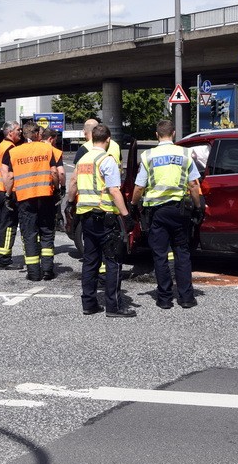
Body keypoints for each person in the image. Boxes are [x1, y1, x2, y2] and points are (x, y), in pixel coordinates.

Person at [130, 119, 203, 310]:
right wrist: (198, 207)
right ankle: (186, 297)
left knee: (160, 255)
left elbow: (139, 187)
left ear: (156, 135)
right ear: (174, 134)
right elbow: (194, 185)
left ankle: (164, 298)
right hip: (180, 210)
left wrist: (133, 204)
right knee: (182, 253)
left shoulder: (148, 156)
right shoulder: (185, 154)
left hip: (157, 212)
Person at [67, 124, 136, 318]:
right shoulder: (107, 160)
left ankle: (89, 304)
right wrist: (126, 215)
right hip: (105, 217)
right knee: (113, 260)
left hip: (86, 217)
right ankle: (113, 306)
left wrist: (70, 204)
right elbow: (114, 190)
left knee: (90, 261)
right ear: (107, 140)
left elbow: (72, 184)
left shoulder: (83, 160)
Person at [3, 122, 59, 281]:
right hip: (45, 196)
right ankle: (48, 270)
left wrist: (8, 195)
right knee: (47, 232)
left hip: (24, 198)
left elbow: (10, 177)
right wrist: (57, 189)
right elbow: (54, 172)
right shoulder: (47, 149)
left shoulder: (14, 152)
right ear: (37, 135)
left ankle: (34, 273)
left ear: (25, 134)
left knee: (29, 234)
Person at [0, 121, 21, 270]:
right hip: (6, 190)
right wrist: (10, 194)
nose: (20, 132)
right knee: (9, 226)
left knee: (0, 225)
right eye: (17, 130)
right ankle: (4, 259)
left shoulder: (1, 145)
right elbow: (7, 174)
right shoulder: (10, 149)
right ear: (10, 133)